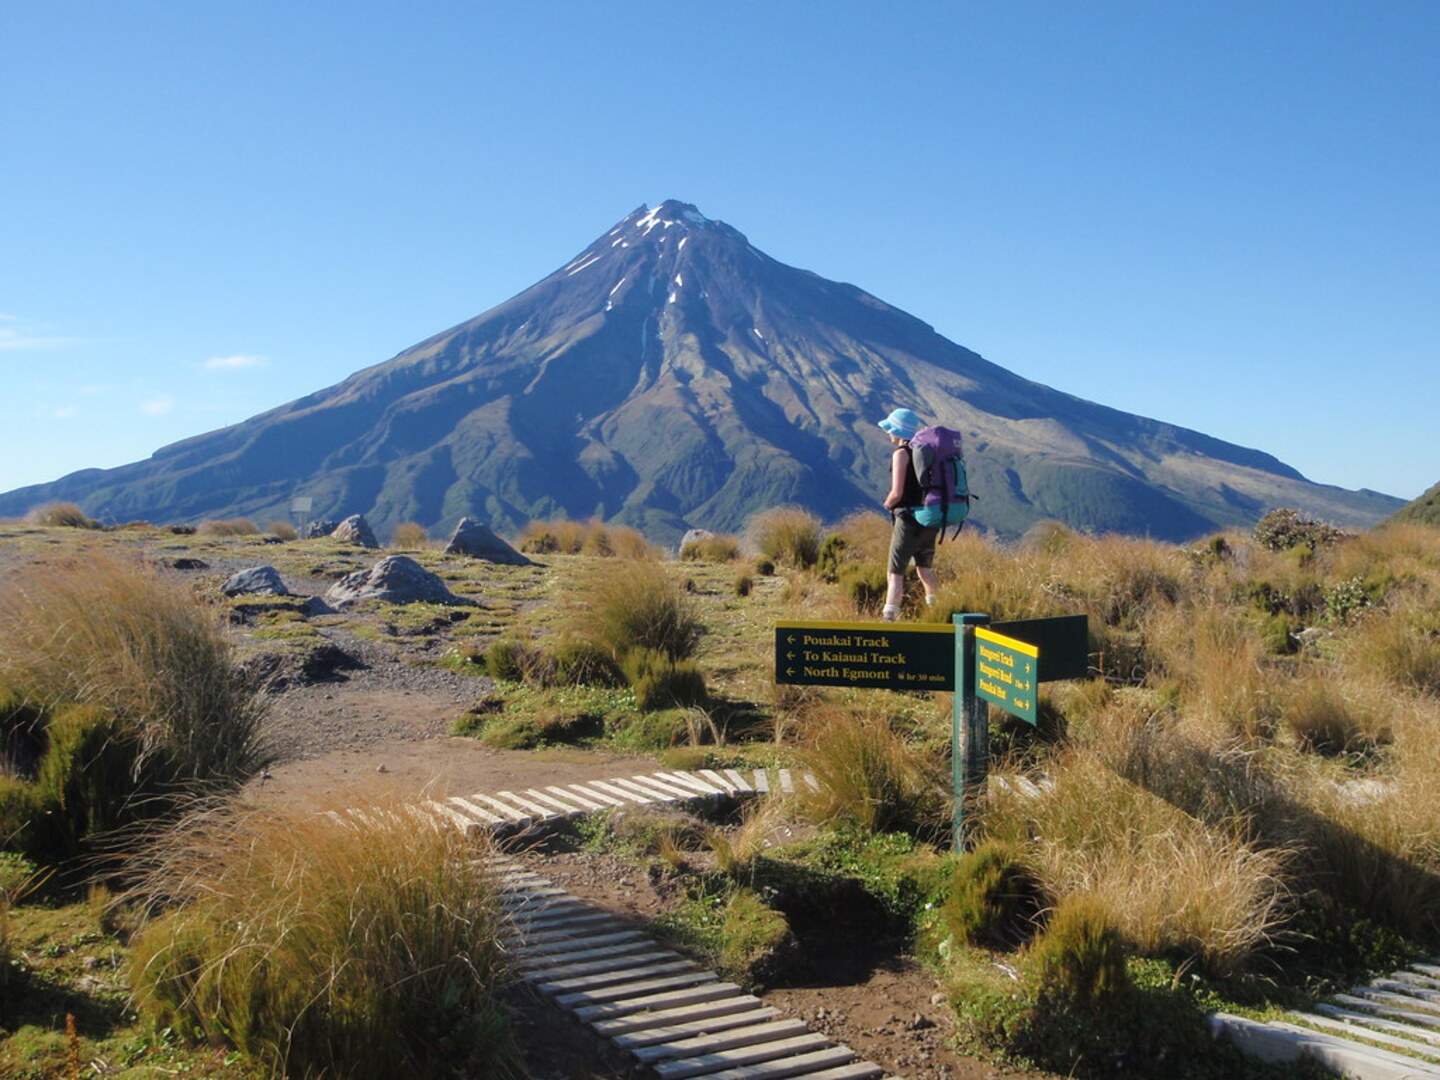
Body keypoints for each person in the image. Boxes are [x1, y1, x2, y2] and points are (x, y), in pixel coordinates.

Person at [876, 407, 940, 621]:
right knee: (925, 570)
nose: (888, 433)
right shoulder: (926, 452)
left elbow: (897, 492)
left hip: (908, 520)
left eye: (890, 429)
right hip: (929, 518)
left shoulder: (901, 453)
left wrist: (887, 504)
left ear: (897, 431)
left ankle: (889, 618)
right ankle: (939, 612)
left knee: (895, 572)